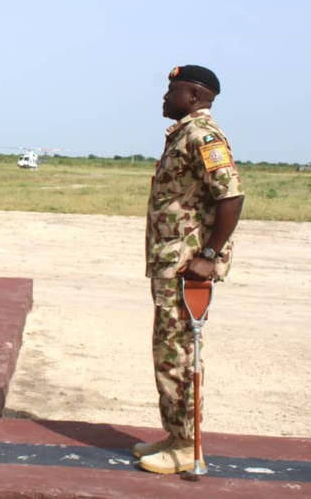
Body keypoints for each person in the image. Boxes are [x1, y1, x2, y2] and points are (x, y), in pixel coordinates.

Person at [134, 65, 244, 474]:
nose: (165, 96)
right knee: (167, 352)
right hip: (170, 262)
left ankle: (186, 447)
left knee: (179, 354)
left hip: (188, 267)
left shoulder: (203, 136)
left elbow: (230, 197)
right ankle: (174, 434)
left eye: (173, 89)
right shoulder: (182, 133)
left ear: (195, 95)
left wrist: (210, 256)